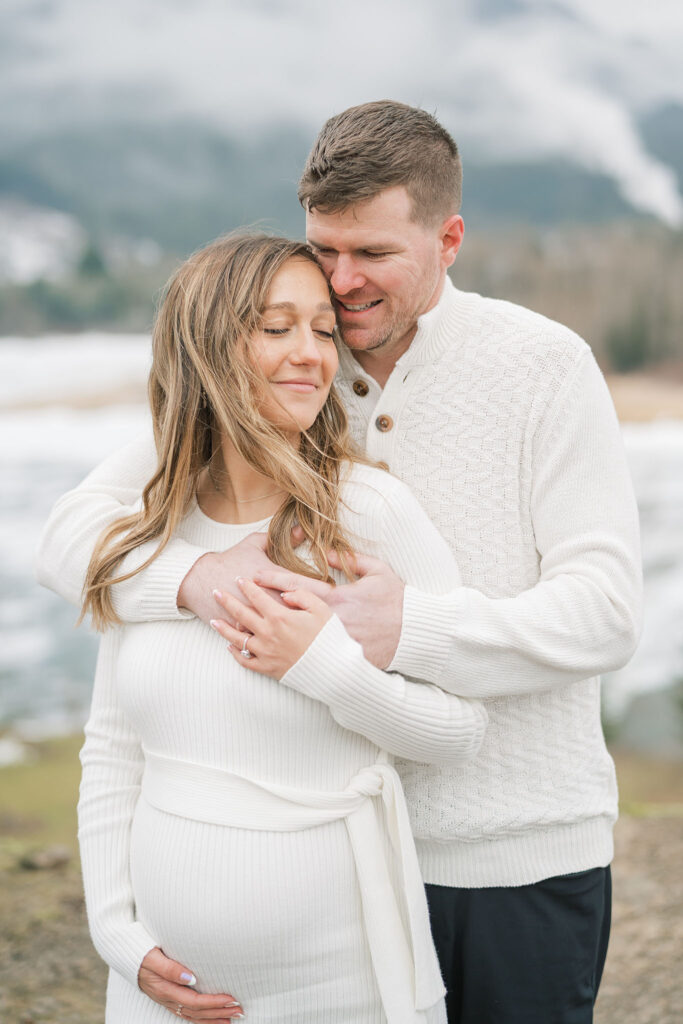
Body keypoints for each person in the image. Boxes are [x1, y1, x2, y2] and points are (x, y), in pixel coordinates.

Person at [37, 101, 642, 1024]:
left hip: (513, 855)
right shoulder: (283, 380)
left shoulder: (542, 366)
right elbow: (76, 533)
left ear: (448, 239)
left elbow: (602, 611)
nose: (342, 282)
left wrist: (407, 629)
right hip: (353, 874)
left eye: (373, 254)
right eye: (326, 250)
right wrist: (199, 583)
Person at [69, 231, 489, 1024]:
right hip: (162, 995)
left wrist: (326, 668)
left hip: (341, 990)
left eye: (323, 331)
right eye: (275, 327)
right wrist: (115, 933)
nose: (311, 355)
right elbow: (113, 749)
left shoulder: (369, 514)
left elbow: (460, 730)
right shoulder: (150, 531)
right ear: (207, 345)